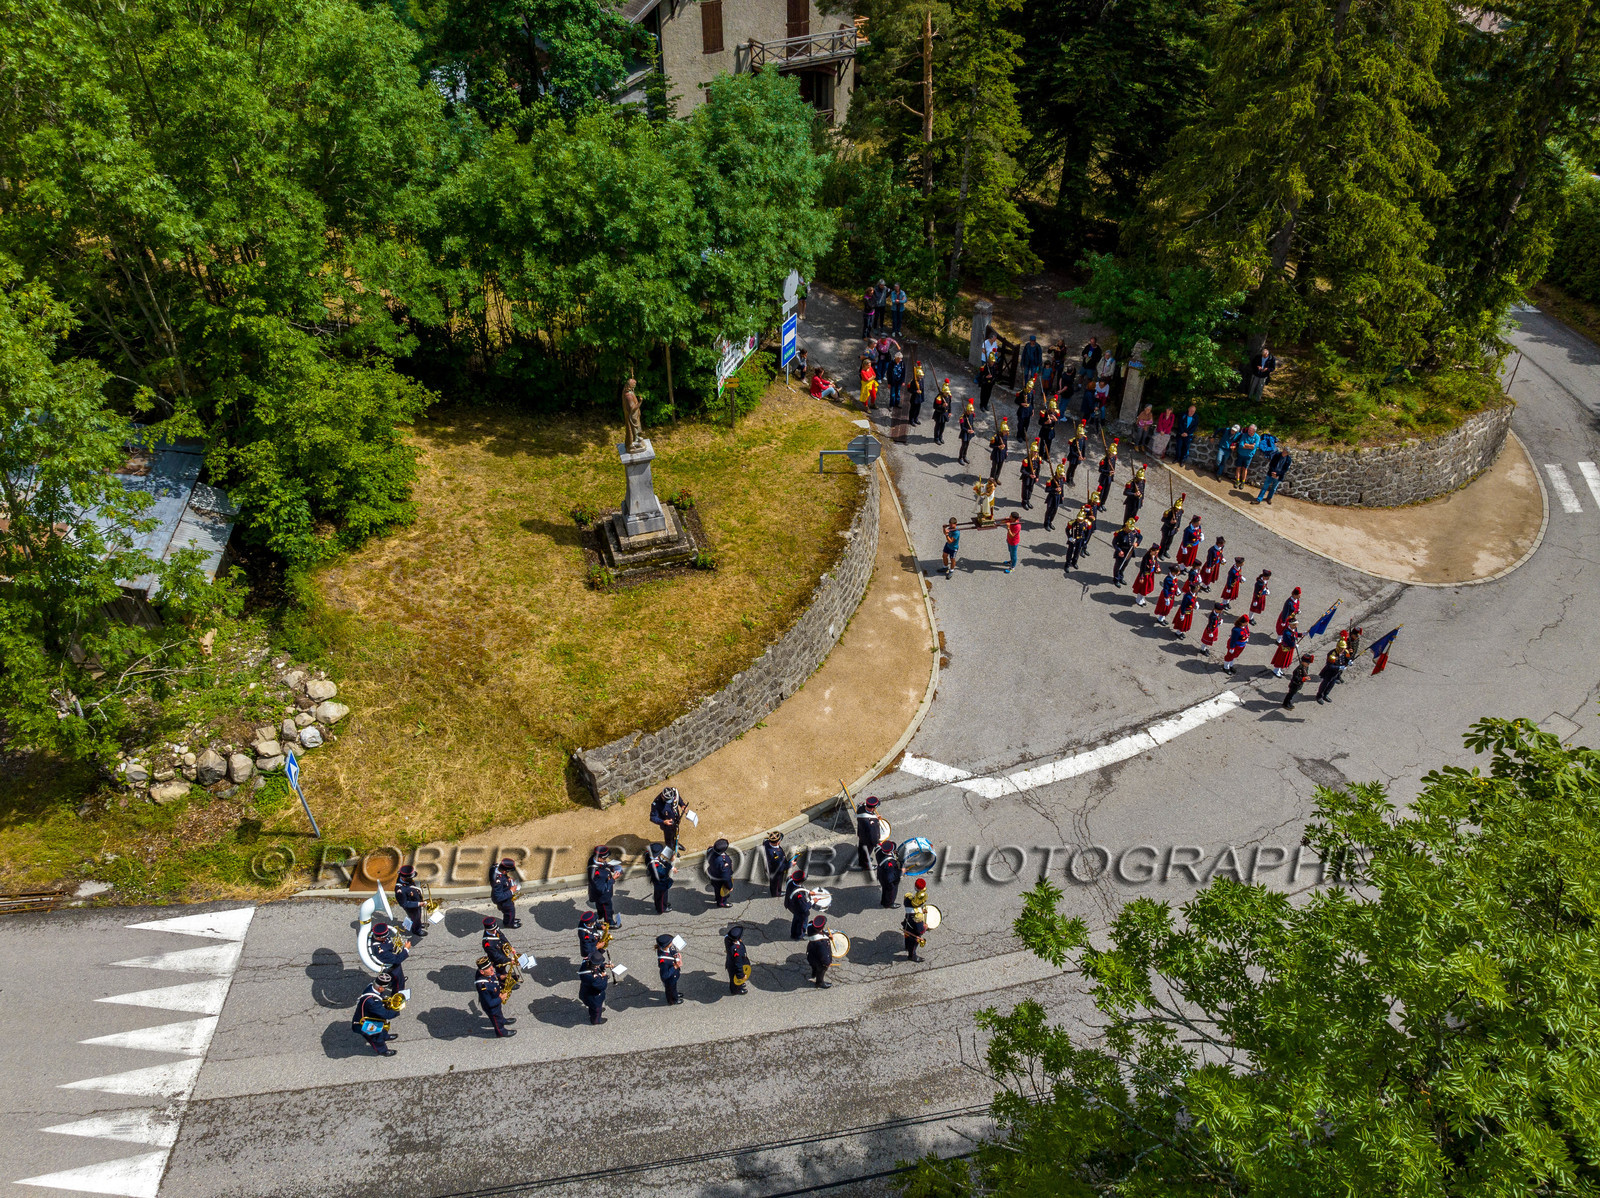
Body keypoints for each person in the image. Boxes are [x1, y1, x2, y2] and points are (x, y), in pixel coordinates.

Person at [352, 974, 399, 1056]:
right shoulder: (372, 1002)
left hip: (373, 1018)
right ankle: (382, 1051)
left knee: (382, 1029)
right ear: (380, 988)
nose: (384, 989)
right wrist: (396, 1009)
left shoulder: (371, 986)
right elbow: (386, 1014)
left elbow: (380, 997)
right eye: (384, 988)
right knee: (376, 1038)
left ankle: (385, 1036)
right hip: (364, 1024)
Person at [474, 959, 515, 1037]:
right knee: (496, 1019)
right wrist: (501, 998)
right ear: (482, 972)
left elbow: (493, 975)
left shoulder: (486, 972)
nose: (492, 969)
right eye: (489, 968)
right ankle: (501, 1032)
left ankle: (502, 1020)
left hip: (495, 998)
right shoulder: (483, 986)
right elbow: (489, 1003)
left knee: (499, 1014)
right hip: (491, 1007)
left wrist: (501, 976)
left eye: (491, 966)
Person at [368, 922, 410, 995]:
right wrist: (406, 949)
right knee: (399, 983)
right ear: (378, 938)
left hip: (391, 957)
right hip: (392, 967)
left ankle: (391, 982)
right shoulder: (381, 950)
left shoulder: (379, 936)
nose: (387, 938)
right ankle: (396, 998)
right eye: (384, 937)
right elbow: (397, 960)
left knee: (394, 979)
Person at [589, 846, 622, 929]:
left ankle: (600, 915)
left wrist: (611, 867)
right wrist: (613, 879)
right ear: (599, 858)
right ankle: (610, 922)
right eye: (605, 858)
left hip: (596, 893)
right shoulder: (597, 873)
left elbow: (603, 865)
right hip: (603, 895)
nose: (606, 859)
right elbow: (602, 889)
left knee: (599, 905)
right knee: (608, 909)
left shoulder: (593, 859)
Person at [394, 865, 426, 940]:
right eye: (410, 878)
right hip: (411, 907)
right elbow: (404, 903)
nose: (412, 879)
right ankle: (416, 930)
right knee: (415, 918)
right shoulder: (400, 890)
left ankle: (419, 924)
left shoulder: (405, 879)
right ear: (404, 878)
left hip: (416, 901)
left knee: (418, 916)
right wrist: (419, 904)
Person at [578, 949, 610, 1025]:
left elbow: (597, 966)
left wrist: (605, 965)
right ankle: (596, 1020)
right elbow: (602, 986)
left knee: (593, 1007)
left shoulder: (586, 963)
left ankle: (593, 1011)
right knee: (596, 1009)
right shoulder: (592, 977)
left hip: (586, 992)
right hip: (594, 997)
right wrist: (604, 977)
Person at [650, 786, 686, 852]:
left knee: (676, 833)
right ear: (662, 797)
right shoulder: (656, 804)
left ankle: (676, 844)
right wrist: (663, 821)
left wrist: (682, 805)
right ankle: (671, 850)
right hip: (667, 824)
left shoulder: (673, 792)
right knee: (669, 838)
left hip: (676, 819)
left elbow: (678, 799)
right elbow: (653, 817)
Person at [482, 916, 514, 985]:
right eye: (491, 930)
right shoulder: (487, 943)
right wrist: (508, 960)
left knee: (504, 969)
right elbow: (496, 956)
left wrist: (510, 947)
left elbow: (502, 936)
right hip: (498, 961)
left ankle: (507, 977)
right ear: (486, 929)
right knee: (501, 972)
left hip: (502, 953)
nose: (494, 931)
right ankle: (504, 983)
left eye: (495, 929)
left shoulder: (495, 929)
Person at [856, 796, 885, 872]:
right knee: (867, 852)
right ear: (872, 808)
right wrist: (877, 843)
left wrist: (874, 817)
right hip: (868, 840)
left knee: (861, 849)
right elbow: (874, 836)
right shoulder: (873, 823)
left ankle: (861, 861)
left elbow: (860, 807)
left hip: (861, 834)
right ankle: (866, 865)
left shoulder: (860, 809)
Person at [490, 858, 521, 928]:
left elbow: (500, 873)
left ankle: (511, 919)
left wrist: (507, 878)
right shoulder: (498, 881)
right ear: (504, 871)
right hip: (503, 901)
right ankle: (509, 924)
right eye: (507, 872)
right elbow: (498, 897)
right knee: (510, 911)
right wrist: (511, 891)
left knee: (509, 911)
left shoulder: (495, 868)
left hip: (505, 898)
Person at [1111, 518, 1142, 587]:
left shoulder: (1134, 531)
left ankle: (1121, 577)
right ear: (1126, 526)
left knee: (1125, 565)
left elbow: (1140, 537)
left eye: (1131, 529)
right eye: (1129, 528)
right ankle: (1116, 578)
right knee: (1118, 566)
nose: (1131, 530)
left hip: (1129, 551)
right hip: (1122, 551)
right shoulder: (1120, 533)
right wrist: (1119, 550)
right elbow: (1114, 543)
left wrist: (1137, 543)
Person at [646, 842, 675, 914]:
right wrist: (670, 863)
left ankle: (661, 904)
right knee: (662, 897)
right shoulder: (656, 866)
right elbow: (663, 873)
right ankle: (662, 908)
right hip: (660, 883)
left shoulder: (648, 855)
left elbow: (659, 859)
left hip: (655, 879)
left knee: (658, 895)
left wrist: (669, 865)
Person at [806, 916, 835, 988]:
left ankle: (814, 973)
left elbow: (820, 931)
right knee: (821, 971)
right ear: (821, 928)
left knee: (814, 966)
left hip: (811, 955)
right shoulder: (822, 943)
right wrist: (827, 963)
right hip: (819, 961)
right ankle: (819, 983)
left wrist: (828, 935)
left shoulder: (810, 927)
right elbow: (824, 955)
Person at [762, 831, 792, 899]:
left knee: (773, 881)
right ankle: (776, 893)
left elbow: (765, 841)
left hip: (769, 866)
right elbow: (781, 868)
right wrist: (790, 864)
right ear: (778, 842)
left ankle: (774, 889)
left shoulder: (766, 842)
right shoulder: (775, 854)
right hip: (775, 870)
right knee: (777, 882)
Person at [706, 837, 734, 908]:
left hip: (713, 874)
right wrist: (729, 886)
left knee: (717, 889)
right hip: (720, 879)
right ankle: (722, 903)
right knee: (722, 893)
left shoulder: (710, 851)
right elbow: (726, 877)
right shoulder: (723, 862)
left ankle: (717, 897)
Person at [785, 869, 814, 940]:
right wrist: (813, 901)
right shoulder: (799, 895)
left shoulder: (790, 881)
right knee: (802, 924)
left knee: (795, 921)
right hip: (800, 911)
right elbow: (804, 907)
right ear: (800, 882)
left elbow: (800, 889)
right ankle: (800, 936)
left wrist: (808, 891)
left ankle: (793, 934)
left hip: (791, 905)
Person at [902, 887, 928, 963]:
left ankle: (906, 947)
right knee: (913, 943)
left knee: (907, 937)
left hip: (907, 924)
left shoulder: (908, 900)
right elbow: (920, 931)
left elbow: (913, 909)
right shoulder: (918, 917)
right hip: (913, 931)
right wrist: (925, 927)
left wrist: (921, 910)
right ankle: (912, 956)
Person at [656, 934, 684, 1005]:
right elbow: (665, 975)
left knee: (673, 988)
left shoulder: (665, 948)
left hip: (673, 977)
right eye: (670, 942)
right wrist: (675, 967)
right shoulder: (664, 961)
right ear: (666, 946)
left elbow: (671, 950)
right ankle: (673, 1000)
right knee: (670, 990)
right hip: (669, 978)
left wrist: (675, 954)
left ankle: (675, 994)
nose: (672, 943)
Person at [875, 840, 903, 908]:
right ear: (889, 852)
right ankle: (889, 903)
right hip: (887, 878)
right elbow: (891, 877)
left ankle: (883, 901)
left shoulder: (878, 849)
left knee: (885, 890)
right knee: (891, 891)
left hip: (881, 873)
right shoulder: (889, 863)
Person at [725, 925, 751, 995]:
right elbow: (738, 965)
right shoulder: (737, 951)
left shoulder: (727, 939)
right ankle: (736, 990)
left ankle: (738, 985)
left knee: (733, 979)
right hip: (734, 967)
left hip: (730, 963)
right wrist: (741, 976)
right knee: (734, 980)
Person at [1064, 420, 1088, 487]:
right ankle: (1068, 479)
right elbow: (1071, 451)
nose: (1082, 435)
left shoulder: (1082, 439)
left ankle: (1072, 478)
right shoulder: (1074, 440)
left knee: (1074, 468)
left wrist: (1083, 455)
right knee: (1071, 468)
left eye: (1082, 434)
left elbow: (1083, 447)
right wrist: (1078, 456)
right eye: (1080, 434)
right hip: (1074, 456)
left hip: (1079, 456)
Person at [1042, 465, 1064, 531]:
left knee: (1054, 511)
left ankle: (1050, 522)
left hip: (1058, 497)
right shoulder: (1051, 481)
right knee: (1049, 512)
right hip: (1052, 498)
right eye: (1060, 475)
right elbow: (1047, 490)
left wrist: (1062, 495)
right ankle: (1046, 523)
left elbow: (1062, 488)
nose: (1062, 476)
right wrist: (1055, 489)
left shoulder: (1061, 479)